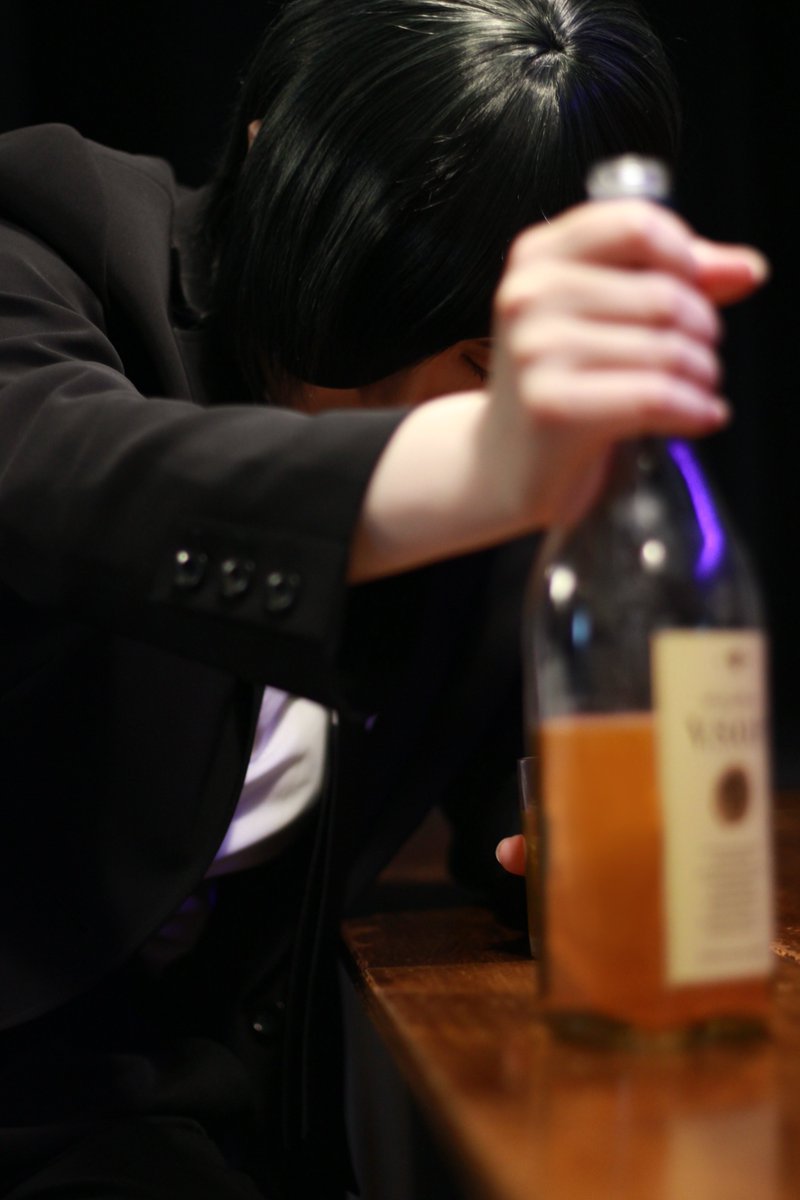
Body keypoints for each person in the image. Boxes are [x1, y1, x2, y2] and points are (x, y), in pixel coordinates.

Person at [0, 0, 766, 1196]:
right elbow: (65, 480)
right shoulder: (49, 229)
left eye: (483, 359)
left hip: (245, 1125)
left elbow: (520, 750)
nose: (422, 397)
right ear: (272, 158)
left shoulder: (509, 446)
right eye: (382, 309)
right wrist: (482, 456)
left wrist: (548, 841)